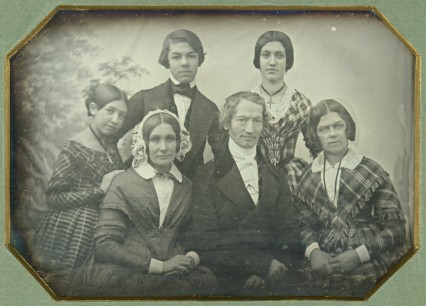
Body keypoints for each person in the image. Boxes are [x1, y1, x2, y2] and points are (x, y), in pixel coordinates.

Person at [75, 110, 216, 297]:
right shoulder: (123, 183)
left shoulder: (187, 186)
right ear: (144, 144)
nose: (164, 147)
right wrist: (161, 266)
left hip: (177, 269)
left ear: (179, 143)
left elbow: (196, 237)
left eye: (170, 139)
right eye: (155, 139)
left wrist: (190, 259)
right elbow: (105, 245)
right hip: (128, 270)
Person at [191, 92, 301, 296]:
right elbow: (206, 240)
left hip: (276, 277)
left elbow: (289, 231)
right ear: (226, 123)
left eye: (257, 121)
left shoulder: (276, 175)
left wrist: (275, 268)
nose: (250, 129)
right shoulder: (206, 176)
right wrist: (258, 267)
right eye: (242, 120)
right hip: (229, 280)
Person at [296, 99, 407, 296]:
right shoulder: (307, 176)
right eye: (324, 129)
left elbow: (396, 228)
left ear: (348, 128)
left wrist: (360, 254)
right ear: (315, 135)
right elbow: (302, 224)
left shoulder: (371, 171)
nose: (332, 134)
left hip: (366, 255)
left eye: (338, 125)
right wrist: (313, 251)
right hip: (323, 259)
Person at [32, 84, 128, 294]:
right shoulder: (74, 147)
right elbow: (54, 197)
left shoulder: (112, 145)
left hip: (104, 226)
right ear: (93, 108)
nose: (116, 120)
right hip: (71, 230)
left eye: (122, 115)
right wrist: (99, 190)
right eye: (110, 111)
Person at [119, 29, 225, 179]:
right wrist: (120, 172)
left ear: (199, 59)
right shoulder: (144, 98)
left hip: (190, 190)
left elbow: (223, 156)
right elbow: (110, 137)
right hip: (145, 186)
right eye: (176, 57)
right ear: (166, 60)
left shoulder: (209, 109)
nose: (184, 63)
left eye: (191, 56)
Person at [252, 31, 315, 194]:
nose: (272, 62)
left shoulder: (301, 102)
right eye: (266, 55)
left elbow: (317, 147)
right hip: (253, 175)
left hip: (291, 176)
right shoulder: (247, 101)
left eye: (279, 55)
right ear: (258, 60)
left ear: (288, 61)